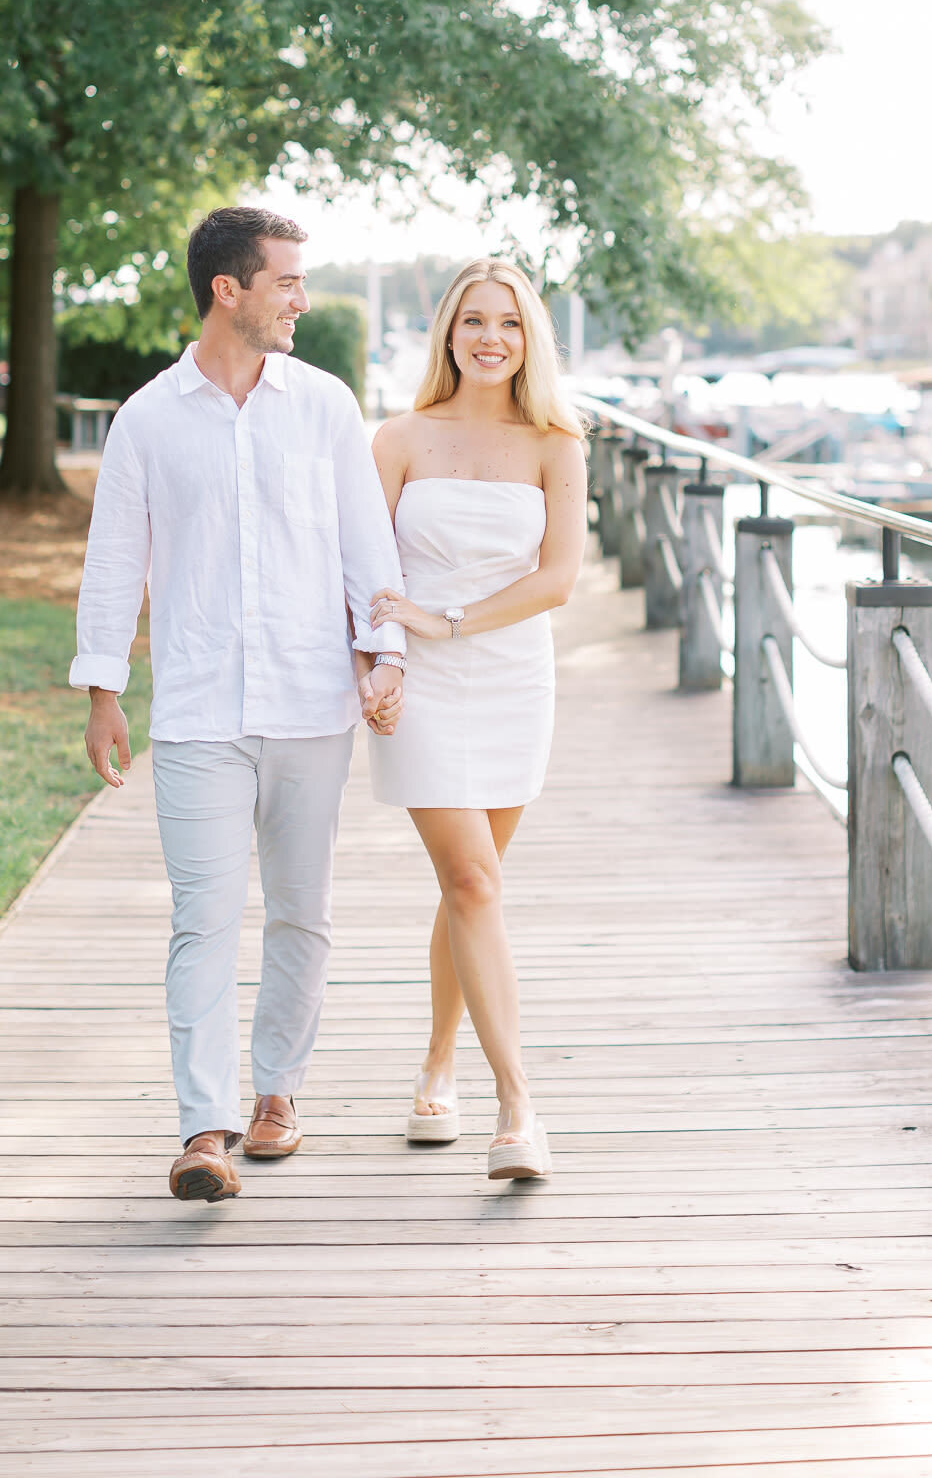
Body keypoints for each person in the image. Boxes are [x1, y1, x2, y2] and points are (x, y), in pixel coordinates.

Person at [71, 206, 407, 1203]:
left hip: (312, 702)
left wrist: (383, 651)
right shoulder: (147, 419)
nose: (303, 298)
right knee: (203, 916)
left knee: (302, 912)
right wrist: (102, 690)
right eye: (288, 281)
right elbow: (113, 563)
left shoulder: (325, 406)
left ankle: (278, 1094)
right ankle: (203, 1128)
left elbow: (365, 545)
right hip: (197, 709)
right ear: (230, 288)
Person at [365, 258, 587, 1180]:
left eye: (508, 323)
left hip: (508, 676)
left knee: (472, 884)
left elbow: (558, 579)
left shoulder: (555, 443)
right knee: (474, 883)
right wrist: (378, 658)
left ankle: (435, 1064)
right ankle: (518, 1108)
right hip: (415, 682)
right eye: (472, 321)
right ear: (447, 335)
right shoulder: (399, 438)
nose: (489, 337)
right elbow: (361, 572)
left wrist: (448, 619)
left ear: (529, 339)